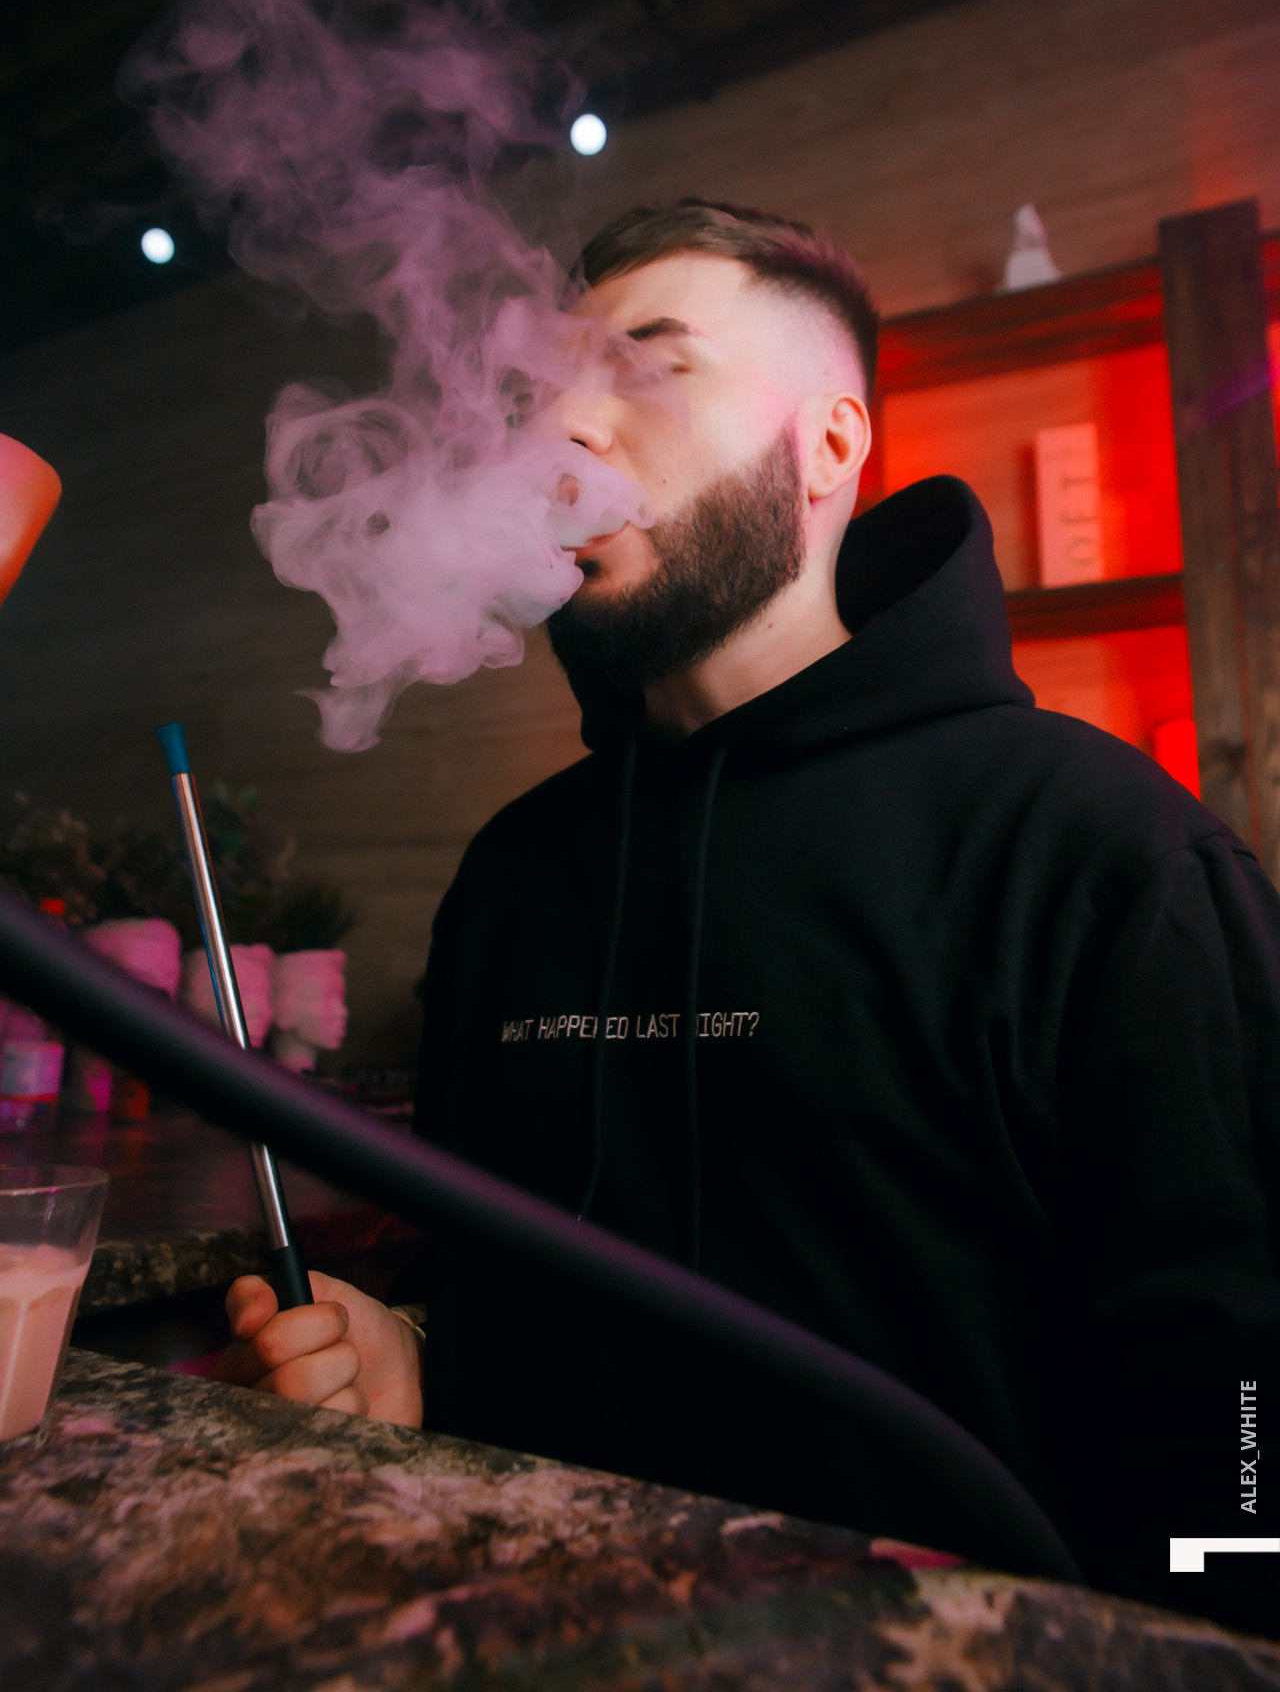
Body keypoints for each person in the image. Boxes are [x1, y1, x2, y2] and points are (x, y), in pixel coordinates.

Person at [218, 199, 1280, 1637]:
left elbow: (1241, 1402)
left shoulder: (1096, 851)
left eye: (649, 370)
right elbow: (503, 1299)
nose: (563, 432)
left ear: (831, 446)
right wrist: (415, 1357)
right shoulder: (516, 876)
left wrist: (1211, 1646)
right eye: (545, 395)